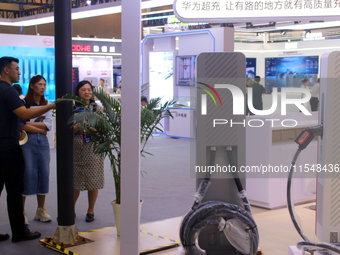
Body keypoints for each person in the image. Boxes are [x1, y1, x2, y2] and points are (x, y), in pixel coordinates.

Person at [0, 56, 55, 242]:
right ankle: (19, 231)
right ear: (7, 70)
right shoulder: (7, 91)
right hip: (8, 148)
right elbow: (23, 114)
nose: (19, 72)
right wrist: (51, 106)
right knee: (15, 191)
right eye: (16, 68)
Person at [19, 75, 52, 225]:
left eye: (44, 84)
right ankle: (22, 211)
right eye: (39, 84)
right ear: (31, 86)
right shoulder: (23, 103)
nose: (43, 87)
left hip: (43, 144)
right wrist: (38, 129)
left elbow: (48, 125)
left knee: (44, 173)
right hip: (26, 142)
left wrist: (31, 126)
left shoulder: (47, 104)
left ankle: (41, 209)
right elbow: (21, 125)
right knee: (27, 172)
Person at [73, 80, 104, 222]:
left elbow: (103, 128)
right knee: (75, 179)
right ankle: (69, 208)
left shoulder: (96, 108)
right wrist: (83, 125)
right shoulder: (72, 107)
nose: (87, 92)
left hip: (93, 146)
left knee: (93, 179)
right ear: (77, 92)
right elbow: (68, 129)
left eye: (89, 89)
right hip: (76, 145)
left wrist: (94, 129)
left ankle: (90, 210)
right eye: (83, 90)